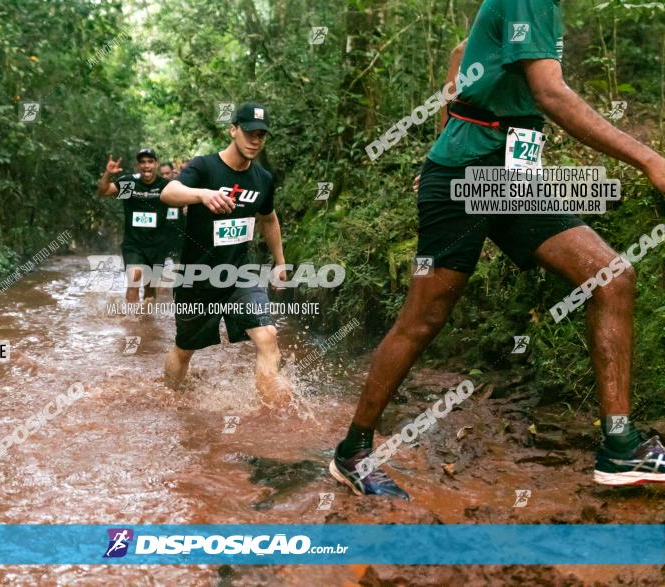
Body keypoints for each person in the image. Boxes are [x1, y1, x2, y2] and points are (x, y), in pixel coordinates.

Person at [331, 0, 665, 499]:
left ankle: (619, 444)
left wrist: (448, 134)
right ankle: (353, 451)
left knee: (612, 278)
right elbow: (550, 93)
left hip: (513, 178)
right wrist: (648, 158)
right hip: (466, 173)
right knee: (423, 316)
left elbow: (465, 53)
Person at [160, 102, 292, 406]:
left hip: (239, 274)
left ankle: (270, 420)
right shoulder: (204, 167)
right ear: (233, 129)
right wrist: (202, 194)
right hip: (199, 277)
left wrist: (280, 263)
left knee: (267, 335)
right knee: (184, 349)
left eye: (261, 135)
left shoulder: (263, 179)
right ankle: (168, 400)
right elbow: (167, 193)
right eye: (248, 132)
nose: (255, 140)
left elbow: (269, 218)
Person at [96, 148, 171, 303]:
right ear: (138, 166)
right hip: (134, 243)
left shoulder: (165, 185)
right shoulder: (130, 183)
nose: (146, 166)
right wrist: (108, 172)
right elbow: (103, 191)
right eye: (142, 162)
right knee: (134, 280)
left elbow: (183, 201)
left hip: (158, 244)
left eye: (150, 162)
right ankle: (131, 323)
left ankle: (146, 320)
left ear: (155, 164)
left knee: (150, 287)